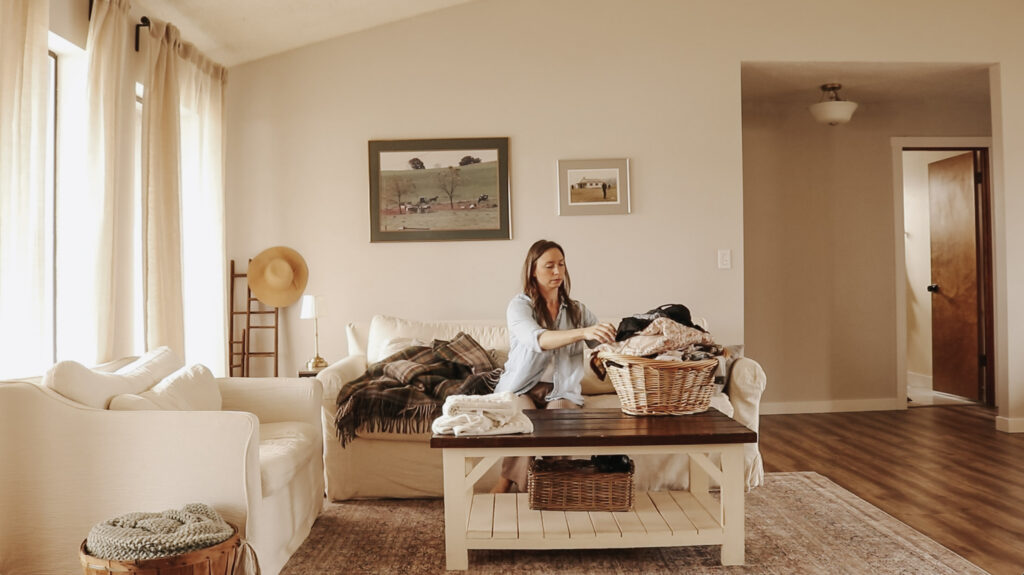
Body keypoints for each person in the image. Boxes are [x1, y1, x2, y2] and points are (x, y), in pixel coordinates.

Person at [491, 239, 617, 493]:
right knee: (523, 422)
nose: (558, 272)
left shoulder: (577, 310)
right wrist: (582, 333)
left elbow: (601, 341)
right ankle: (517, 485)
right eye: (549, 266)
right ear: (533, 270)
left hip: (562, 390)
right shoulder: (519, 306)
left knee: (561, 422)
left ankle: (548, 488)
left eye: (561, 265)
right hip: (521, 388)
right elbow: (538, 339)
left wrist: (627, 337)